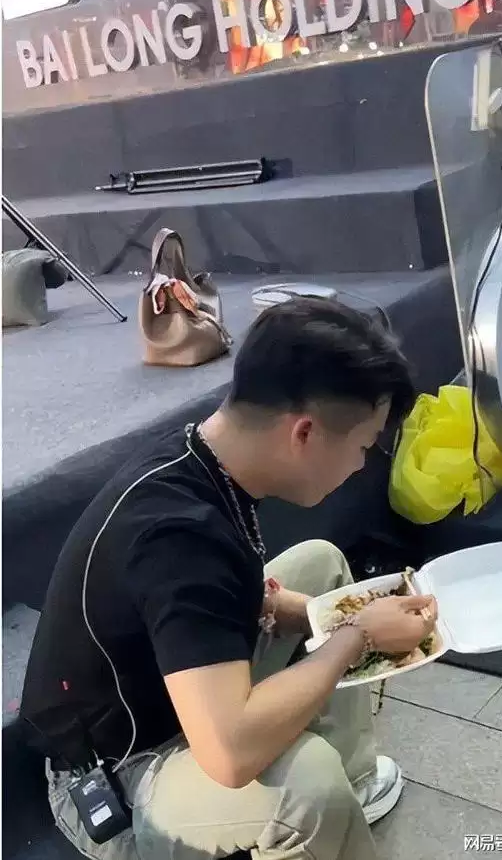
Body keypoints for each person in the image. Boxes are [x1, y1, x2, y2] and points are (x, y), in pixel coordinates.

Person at [20, 297, 438, 860]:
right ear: (305, 433)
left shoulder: (202, 455)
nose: (363, 465)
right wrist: (357, 636)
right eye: (364, 446)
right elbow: (229, 755)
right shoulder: (177, 538)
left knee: (319, 565)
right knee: (307, 786)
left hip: (181, 695)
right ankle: (321, 819)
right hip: (120, 774)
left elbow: (226, 598)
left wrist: (345, 615)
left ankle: (352, 786)